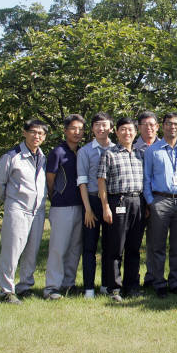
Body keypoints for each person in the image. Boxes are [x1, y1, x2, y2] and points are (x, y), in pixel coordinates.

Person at [0, 119, 49, 304]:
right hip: (17, 210)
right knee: (12, 251)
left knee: (31, 251)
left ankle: (25, 286)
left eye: (41, 133)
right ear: (24, 133)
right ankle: (6, 291)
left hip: (38, 211)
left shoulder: (42, 157)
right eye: (33, 132)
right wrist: (12, 201)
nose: (37, 136)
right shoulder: (12, 156)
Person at [97, 117, 145, 302]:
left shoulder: (140, 154)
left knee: (134, 247)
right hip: (118, 202)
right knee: (115, 247)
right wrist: (105, 207)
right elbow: (101, 181)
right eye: (123, 130)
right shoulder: (109, 154)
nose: (127, 133)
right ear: (116, 132)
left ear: (135, 132)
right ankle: (114, 288)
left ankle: (132, 286)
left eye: (130, 130)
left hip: (137, 202)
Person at [143, 113, 177, 298]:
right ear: (162, 127)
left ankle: (175, 282)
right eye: (169, 124)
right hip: (160, 200)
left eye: (176, 124)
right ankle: (159, 282)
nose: (173, 127)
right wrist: (150, 202)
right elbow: (146, 178)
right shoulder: (152, 150)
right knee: (157, 245)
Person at [43, 114, 85, 300]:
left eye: (81, 129)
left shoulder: (81, 151)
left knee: (75, 247)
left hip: (80, 206)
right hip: (61, 207)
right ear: (65, 130)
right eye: (73, 128)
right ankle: (52, 287)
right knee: (58, 248)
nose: (77, 132)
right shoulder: (57, 152)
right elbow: (50, 180)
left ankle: (69, 283)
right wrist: (55, 198)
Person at [77, 112, 115, 299]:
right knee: (90, 247)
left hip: (110, 202)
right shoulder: (85, 151)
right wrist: (88, 210)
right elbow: (82, 182)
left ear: (111, 128)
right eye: (97, 125)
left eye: (104, 125)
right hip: (91, 201)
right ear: (92, 128)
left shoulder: (117, 149)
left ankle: (107, 285)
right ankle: (89, 288)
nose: (101, 128)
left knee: (110, 246)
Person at [134, 111, 159, 290]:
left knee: (155, 242)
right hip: (136, 201)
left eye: (152, 125)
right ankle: (131, 279)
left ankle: (153, 277)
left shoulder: (165, 146)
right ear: (139, 128)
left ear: (157, 127)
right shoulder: (132, 148)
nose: (149, 128)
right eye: (145, 125)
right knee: (133, 242)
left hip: (158, 201)